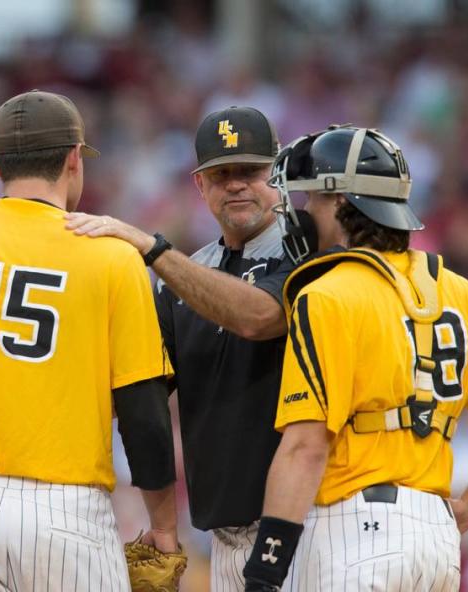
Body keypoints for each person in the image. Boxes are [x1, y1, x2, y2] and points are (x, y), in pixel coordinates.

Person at [0, 90, 179, 590]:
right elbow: (143, 412)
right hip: (68, 511)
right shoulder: (111, 254)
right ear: (72, 160)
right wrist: (165, 525)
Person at [240, 126, 468, 591]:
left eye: (313, 200)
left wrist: (265, 567)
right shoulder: (458, 290)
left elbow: (306, 447)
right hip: (437, 542)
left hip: (356, 534)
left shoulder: (326, 293)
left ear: (342, 203)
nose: (304, 212)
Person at [67, 106, 313, 590]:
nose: (237, 184)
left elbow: (259, 316)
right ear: (200, 186)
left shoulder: (310, 249)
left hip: (309, 528)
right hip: (224, 537)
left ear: (278, 174)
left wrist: (153, 252)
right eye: (221, 175)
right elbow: (139, 391)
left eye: (251, 171)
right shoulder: (186, 274)